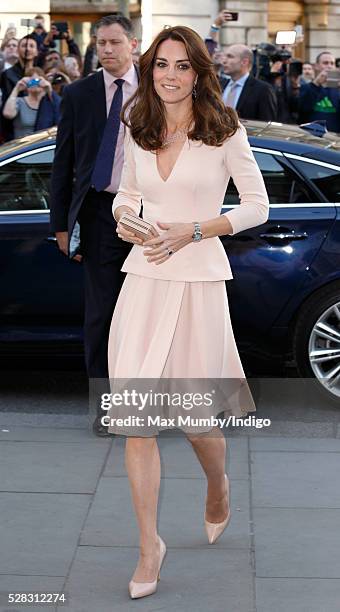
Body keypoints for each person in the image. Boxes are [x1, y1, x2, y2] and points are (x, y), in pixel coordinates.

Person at [105, 25, 269, 599]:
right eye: (160, 66)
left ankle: (217, 484)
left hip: (198, 280)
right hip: (145, 281)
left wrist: (193, 230)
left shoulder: (224, 131)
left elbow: (257, 207)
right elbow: (125, 193)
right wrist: (128, 220)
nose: (169, 75)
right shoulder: (139, 126)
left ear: (199, 73)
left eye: (181, 65)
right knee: (136, 420)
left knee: (199, 421)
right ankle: (149, 546)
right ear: (148, 72)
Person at [49, 14, 139, 437]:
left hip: (150, 217)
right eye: (100, 43)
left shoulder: (160, 89)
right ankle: (107, 408)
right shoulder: (80, 93)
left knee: (145, 314)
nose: (106, 49)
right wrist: (62, 225)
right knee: (101, 314)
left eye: (114, 42)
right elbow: (63, 163)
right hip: (100, 216)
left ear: (132, 45)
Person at [222, 44, 277, 121]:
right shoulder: (220, 85)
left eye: (230, 56)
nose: (224, 61)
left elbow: (266, 124)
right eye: (224, 56)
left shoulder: (263, 90)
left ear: (244, 62)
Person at [2, 67, 61, 139]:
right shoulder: (20, 101)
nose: (35, 84)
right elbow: (8, 114)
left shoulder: (49, 102)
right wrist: (16, 89)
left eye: (37, 81)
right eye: (31, 81)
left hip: (44, 146)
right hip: (23, 146)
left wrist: (49, 90)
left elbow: (61, 113)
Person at [0, 35, 39, 141]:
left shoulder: (40, 73)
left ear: (36, 52)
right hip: (16, 129)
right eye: (24, 46)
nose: (27, 49)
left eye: (32, 46)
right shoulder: (8, 74)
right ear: (18, 50)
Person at [298, 51, 340, 133]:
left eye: (332, 63)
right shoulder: (306, 87)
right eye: (325, 63)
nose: (329, 66)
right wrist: (316, 84)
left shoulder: (337, 89)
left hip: (334, 137)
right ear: (316, 66)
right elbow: (303, 109)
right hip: (310, 136)